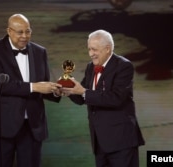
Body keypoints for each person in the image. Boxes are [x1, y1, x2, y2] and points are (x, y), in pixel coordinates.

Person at [0, 14, 62, 167]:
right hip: (3, 126)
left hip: (32, 128)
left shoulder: (40, 52)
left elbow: (43, 84)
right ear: (9, 31)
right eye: (20, 32)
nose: (25, 36)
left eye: (28, 31)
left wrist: (55, 91)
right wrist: (34, 86)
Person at [61, 30, 145, 167]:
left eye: (94, 49)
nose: (90, 54)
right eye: (89, 49)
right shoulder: (90, 67)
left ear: (107, 49)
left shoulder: (124, 66)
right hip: (100, 143)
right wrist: (69, 90)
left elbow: (116, 98)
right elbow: (82, 97)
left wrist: (83, 92)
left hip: (121, 142)